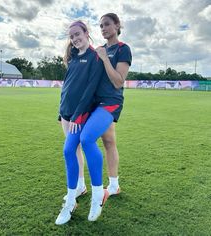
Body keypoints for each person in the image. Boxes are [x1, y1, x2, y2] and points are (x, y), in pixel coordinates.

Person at [79, 12, 132, 221]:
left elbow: (118, 81)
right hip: (95, 103)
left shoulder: (122, 49)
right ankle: (115, 185)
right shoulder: (99, 50)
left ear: (117, 25)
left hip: (110, 102)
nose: (103, 29)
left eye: (107, 24)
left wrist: (104, 59)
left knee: (87, 138)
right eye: (100, 26)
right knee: (109, 142)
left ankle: (99, 190)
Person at [55, 20, 104, 225]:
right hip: (66, 113)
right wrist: (61, 113)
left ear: (86, 32)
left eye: (78, 34)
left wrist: (77, 114)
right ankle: (80, 187)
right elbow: (67, 87)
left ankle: (78, 198)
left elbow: (90, 90)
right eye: (72, 36)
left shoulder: (95, 57)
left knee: (70, 150)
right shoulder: (74, 58)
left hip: (80, 115)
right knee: (72, 151)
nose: (75, 39)